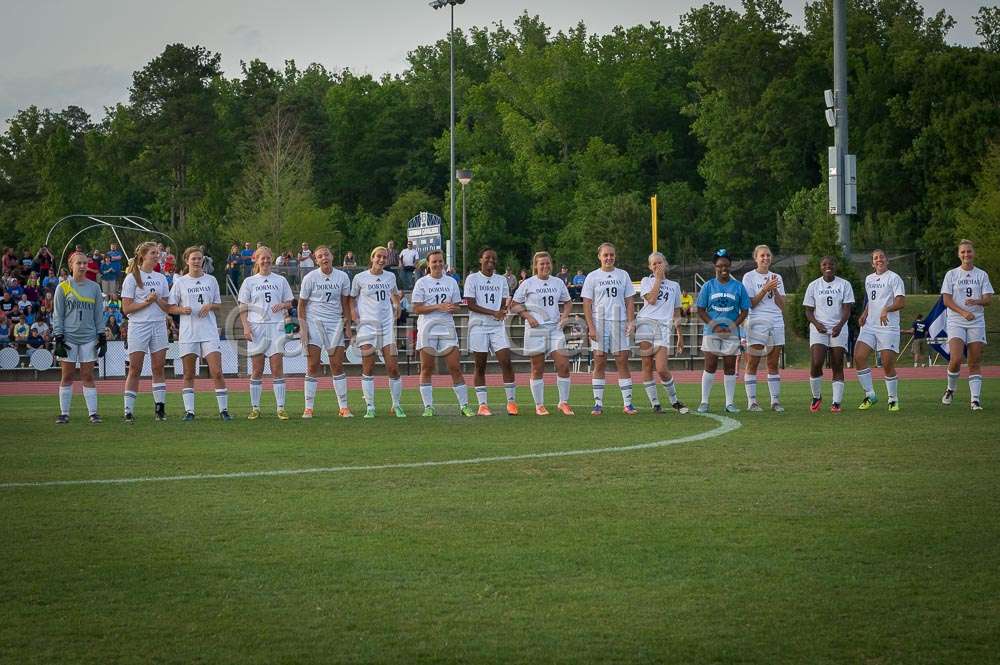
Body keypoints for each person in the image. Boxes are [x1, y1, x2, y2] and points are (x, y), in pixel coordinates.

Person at [168, 246, 232, 421]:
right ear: (187, 260)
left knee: (217, 371)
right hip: (188, 333)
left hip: (209, 331)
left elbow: (218, 304)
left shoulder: (211, 280)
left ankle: (224, 410)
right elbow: (170, 307)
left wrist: (210, 306)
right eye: (193, 258)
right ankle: (189, 411)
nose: (197, 261)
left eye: (199, 258)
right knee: (189, 373)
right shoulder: (180, 282)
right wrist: (182, 310)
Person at [412, 249, 474, 417]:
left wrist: (452, 307)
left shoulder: (451, 282)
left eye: (440, 261)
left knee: (455, 367)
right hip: (427, 329)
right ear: (429, 264)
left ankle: (464, 405)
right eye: (434, 262)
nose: (438, 264)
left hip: (446, 328)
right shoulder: (422, 283)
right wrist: (438, 306)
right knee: (427, 367)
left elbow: (457, 305)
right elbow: (416, 308)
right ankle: (428, 407)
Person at [581, 243, 638, 415]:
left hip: (619, 322)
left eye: (611, 255)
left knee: (622, 361)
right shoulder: (592, 276)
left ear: (615, 256)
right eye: (605, 255)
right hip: (600, 322)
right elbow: (587, 304)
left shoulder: (623, 275)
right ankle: (598, 403)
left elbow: (629, 301)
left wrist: (631, 322)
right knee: (600, 361)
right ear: (599, 256)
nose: (609, 258)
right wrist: (591, 327)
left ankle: (627, 404)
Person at [239, 246, 294, 420]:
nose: (265, 261)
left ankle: (280, 408)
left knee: (277, 368)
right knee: (257, 369)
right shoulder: (249, 282)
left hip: (276, 326)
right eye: (262, 258)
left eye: (268, 258)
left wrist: (283, 305)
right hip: (257, 327)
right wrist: (246, 327)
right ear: (256, 259)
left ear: (272, 259)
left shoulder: (280, 280)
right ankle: (255, 408)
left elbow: (290, 302)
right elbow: (242, 307)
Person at [299, 246, 353, 418]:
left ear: (332, 256)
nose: (324, 258)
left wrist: (348, 326)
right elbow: (301, 305)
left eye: (326, 254)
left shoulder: (343, 276)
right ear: (316, 260)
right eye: (320, 256)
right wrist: (303, 327)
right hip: (314, 324)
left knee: (337, 365)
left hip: (335, 324)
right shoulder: (310, 278)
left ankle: (343, 407)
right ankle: (308, 407)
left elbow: (345, 304)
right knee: (313, 365)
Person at [350, 246, 404, 418]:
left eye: (384, 257)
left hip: (387, 327)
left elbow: (395, 294)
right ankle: (370, 406)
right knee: (368, 366)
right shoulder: (360, 278)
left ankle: (396, 405)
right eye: (378, 257)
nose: (381, 260)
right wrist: (355, 317)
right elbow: (351, 299)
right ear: (372, 258)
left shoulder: (390, 276)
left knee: (393, 367)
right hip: (367, 326)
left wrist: (397, 306)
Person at [52, 252, 105, 423]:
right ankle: (64, 413)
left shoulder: (94, 287)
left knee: (87, 375)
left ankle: (93, 413)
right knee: (67, 375)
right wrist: (58, 337)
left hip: (89, 337)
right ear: (71, 265)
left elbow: (98, 314)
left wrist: (101, 335)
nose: (82, 266)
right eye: (79, 263)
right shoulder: (63, 287)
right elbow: (58, 315)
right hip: (68, 338)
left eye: (85, 263)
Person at [121, 241, 172, 422]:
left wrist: (157, 301)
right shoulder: (132, 277)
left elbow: (167, 306)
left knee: (158, 367)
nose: (156, 256)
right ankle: (128, 411)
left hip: (158, 324)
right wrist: (147, 302)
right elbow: (126, 308)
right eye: (153, 253)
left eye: (157, 253)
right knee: (135, 368)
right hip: (139, 326)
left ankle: (160, 409)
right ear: (143, 255)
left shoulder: (161, 278)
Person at [464, 247, 518, 416]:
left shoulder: (501, 280)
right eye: (487, 258)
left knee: (506, 361)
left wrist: (502, 310)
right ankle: (483, 404)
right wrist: (493, 312)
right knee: (480, 365)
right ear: (480, 260)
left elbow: (503, 301)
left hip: (496, 326)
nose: (491, 261)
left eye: (493, 258)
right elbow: (470, 304)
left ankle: (511, 402)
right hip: (478, 326)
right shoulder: (472, 279)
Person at [941, 239, 994, 410]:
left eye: (969, 251)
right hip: (956, 320)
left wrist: (977, 301)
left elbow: (988, 299)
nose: (966, 254)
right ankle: (950, 389)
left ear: (973, 253)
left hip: (976, 321)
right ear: (958, 254)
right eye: (963, 252)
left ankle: (975, 400)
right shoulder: (951, 274)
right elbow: (946, 300)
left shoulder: (982, 274)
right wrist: (963, 312)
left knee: (974, 361)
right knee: (956, 359)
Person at [696, 249, 750, 413]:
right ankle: (704, 402)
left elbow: (744, 311)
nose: (723, 268)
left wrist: (732, 326)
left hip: (731, 333)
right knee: (710, 365)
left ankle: (729, 403)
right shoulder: (708, 286)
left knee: (729, 367)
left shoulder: (738, 287)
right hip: (712, 331)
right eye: (720, 265)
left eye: (726, 265)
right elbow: (700, 309)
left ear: (730, 266)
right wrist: (715, 326)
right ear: (715, 267)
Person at [636, 252, 689, 414]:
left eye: (659, 263)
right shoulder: (646, 281)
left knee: (661, 368)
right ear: (649, 267)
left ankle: (674, 401)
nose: (657, 266)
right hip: (645, 323)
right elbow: (651, 300)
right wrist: (658, 279)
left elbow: (676, 313)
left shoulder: (674, 285)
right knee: (646, 365)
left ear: (665, 264)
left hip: (664, 327)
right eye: (654, 264)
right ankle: (655, 403)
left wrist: (680, 335)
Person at [854, 249, 906, 411]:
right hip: (870, 325)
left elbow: (901, 302)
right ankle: (870, 395)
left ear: (887, 260)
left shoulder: (894, 278)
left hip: (887, 326)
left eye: (882, 257)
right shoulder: (869, 279)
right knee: (859, 357)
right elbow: (872, 300)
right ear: (872, 263)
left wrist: (887, 309)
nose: (879, 260)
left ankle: (893, 399)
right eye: (876, 258)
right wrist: (864, 314)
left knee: (887, 363)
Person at [803, 256, 855, 413]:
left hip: (838, 328)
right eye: (824, 264)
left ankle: (836, 402)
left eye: (831, 264)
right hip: (819, 328)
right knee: (817, 361)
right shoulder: (813, 285)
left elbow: (847, 309)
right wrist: (817, 324)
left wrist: (839, 325)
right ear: (820, 267)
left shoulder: (844, 284)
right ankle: (816, 396)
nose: (828, 266)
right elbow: (808, 310)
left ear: (835, 266)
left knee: (837, 362)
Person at [742, 244, 787, 412]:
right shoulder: (749, 277)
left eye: (768, 255)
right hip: (757, 321)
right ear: (756, 258)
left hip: (776, 321)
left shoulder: (777, 277)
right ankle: (752, 401)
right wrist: (765, 289)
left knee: (773, 362)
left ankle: (775, 401)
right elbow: (750, 304)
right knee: (753, 361)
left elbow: (782, 306)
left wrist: (774, 290)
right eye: (762, 255)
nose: (765, 258)